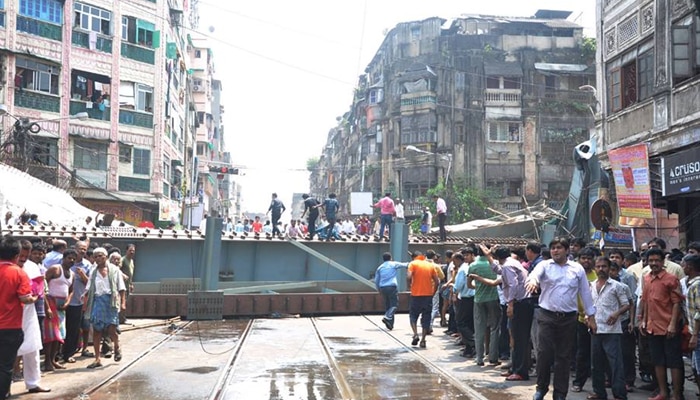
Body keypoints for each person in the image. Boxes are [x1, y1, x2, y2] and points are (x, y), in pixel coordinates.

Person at [525, 237, 596, 400]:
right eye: (553, 248)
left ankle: (560, 394)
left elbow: (585, 293)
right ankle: (541, 388)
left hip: (569, 319)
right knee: (544, 353)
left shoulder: (577, 269)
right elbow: (534, 275)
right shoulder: (544, 265)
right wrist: (533, 281)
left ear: (567, 250)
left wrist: (591, 316)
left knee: (563, 357)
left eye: (559, 247)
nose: (555, 250)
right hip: (546, 316)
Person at [640, 248, 684, 400]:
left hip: (668, 327)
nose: (653, 263)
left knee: (674, 362)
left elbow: (677, 303)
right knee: (657, 360)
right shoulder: (646, 278)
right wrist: (643, 320)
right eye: (651, 261)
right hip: (652, 327)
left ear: (663, 261)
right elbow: (645, 301)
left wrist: (672, 324)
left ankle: (677, 395)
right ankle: (663, 392)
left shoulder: (671, 279)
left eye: (656, 260)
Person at [589, 256, 630, 400]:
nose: (601, 269)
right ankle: (599, 393)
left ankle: (619, 394)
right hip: (595, 330)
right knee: (596, 365)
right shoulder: (591, 285)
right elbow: (589, 307)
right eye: (598, 266)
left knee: (615, 364)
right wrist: (590, 320)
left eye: (604, 266)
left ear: (609, 268)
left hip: (612, 331)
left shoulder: (616, 286)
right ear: (595, 268)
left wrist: (616, 313)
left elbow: (626, 304)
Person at [0, 236, 35, 400]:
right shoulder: (19, 273)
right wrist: (33, 298)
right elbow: (24, 298)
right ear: (16, 255)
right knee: (6, 365)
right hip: (9, 326)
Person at [16, 240, 50, 394]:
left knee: (33, 347)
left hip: (29, 311)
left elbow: (38, 287)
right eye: (20, 255)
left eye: (25, 255)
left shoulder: (32, 266)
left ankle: (33, 383)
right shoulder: (7, 266)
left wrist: (35, 295)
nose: (23, 258)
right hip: (10, 312)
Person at [84, 247, 127, 369]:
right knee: (97, 330)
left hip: (111, 301)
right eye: (95, 256)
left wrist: (123, 302)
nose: (98, 258)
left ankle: (117, 346)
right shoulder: (93, 272)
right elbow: (88, 288)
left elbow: (121, 288)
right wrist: (85, 303)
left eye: (100, 256)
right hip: (98, 301)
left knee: (111, 328)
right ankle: (97, 358)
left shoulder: (114, 270)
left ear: (106, 257)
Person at [44, 249, 76, 372]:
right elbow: (44, 284)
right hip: (51, 304)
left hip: (63, 306)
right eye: (69, 258)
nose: (71, 260)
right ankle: (47, 361)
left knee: (59, 335)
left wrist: (68, 302)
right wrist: (47, 304)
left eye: (74, 258)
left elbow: (72, 290)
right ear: (64, 258)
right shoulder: (55, 269)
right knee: (51, 335)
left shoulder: (72, 274)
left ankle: (53, 360)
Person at [407, 251, 440, 348]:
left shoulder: (412, 264)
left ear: (413, 257)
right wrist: (433, 293)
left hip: (416, 295)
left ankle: (415, 334)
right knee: (426, 317)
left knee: (413, 315)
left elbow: (408, 276)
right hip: (428, 296)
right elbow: (437, 281)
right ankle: (423, 340)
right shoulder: (430, 265)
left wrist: (409, 287)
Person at [374, 252, 409, 330]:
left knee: (388, 305)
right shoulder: (393, 264)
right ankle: (387, 317)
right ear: (391, 258)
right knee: (394, 305)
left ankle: (390, 324)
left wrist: (378, 289)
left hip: (382, 287)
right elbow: (405, 265)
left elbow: (376, 280)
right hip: (391, 286)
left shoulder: (380, 267)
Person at [120, 244, 136, 324]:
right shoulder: (123, 260)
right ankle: (121, 319)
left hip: (127, 285)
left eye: (133, 250)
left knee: (126, 302)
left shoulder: (132, 261)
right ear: (126, 251)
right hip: (121, 285)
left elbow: (131, 274)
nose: (132, 252)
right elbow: (117, 270)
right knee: (122, 301)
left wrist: (131, 283)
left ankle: (123, 318)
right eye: (130, 250)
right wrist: (123, 275)